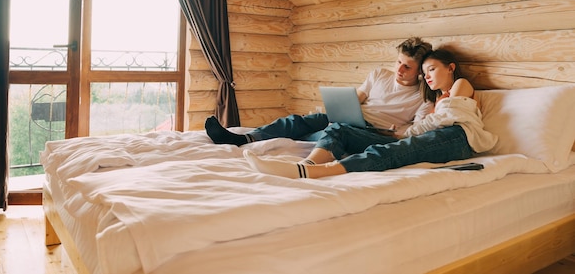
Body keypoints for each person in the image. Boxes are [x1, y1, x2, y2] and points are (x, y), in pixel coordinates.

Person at [243, 48, 498, 179]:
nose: (427, 76)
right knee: (339, 129)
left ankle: (313, 172)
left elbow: (443, 120)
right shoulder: (436, 97)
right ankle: (307, 163)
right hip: (439, 137)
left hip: (458, 137)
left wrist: (408, 131)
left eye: (431, 70)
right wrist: (407, 130)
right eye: (426, 72)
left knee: (390, 152)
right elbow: (431, 122)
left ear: (450, 67)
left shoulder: (460, 85)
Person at [204, 36, 434, 146]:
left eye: (407, 66)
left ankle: (297, 138)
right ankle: (244, 137)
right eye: (398, 62)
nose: (399, 69)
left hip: (374, 132)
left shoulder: (423, 97)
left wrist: (395, 131)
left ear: (420, 72)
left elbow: (417, 129)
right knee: (305, 120)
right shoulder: (379, 75)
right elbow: (357, 98)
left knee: (328, 131)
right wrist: (339, 106)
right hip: (351, 119)